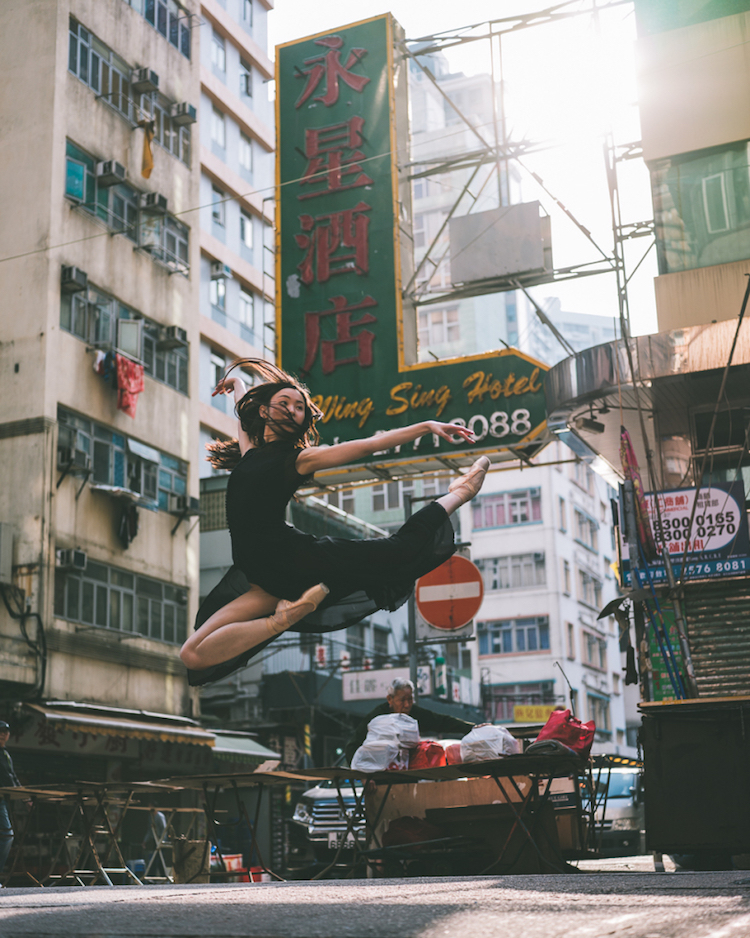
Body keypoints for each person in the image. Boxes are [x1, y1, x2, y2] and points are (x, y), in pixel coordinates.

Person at [180, 359, 491, 686]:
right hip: (261, 580)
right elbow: (242, 410)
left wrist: (426, 426)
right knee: (193, 655)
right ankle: (280, 619)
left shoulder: (299, 459)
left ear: (304, 419)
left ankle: (459, 492)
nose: (292, 410)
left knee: (398, 550)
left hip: (292, 560)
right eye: (284, 403)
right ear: (262, 411)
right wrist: (237, 386)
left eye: (299, 407)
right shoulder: (250, 453)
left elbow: (369, 445)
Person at [344, 677, 475, 764]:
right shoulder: (377, 717)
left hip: (407, 775)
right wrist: (363, 777)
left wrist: (472, 728)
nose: (407, 705)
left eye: (410, 699)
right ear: (390, 699)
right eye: (402, 700)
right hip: (381, 777)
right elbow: (352, 746)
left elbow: (441, 721)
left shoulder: (414, 713)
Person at [0, 721, 20, 882]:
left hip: (5, 799)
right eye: (0, 731)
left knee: (6, 836)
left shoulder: (5, 754)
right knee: (7, 835)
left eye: (5, 732)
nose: (2, 734)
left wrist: (24, 795)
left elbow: (12, 776)